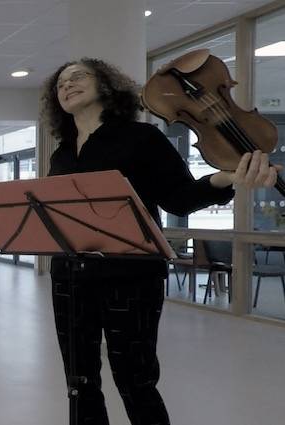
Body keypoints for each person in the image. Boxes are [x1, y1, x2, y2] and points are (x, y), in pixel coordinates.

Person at [40, 58, 281, 425]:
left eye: (78, 76)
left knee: (135, 381)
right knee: (79, 381)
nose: (67, 85)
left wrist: (223, 179)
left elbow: (178, 197)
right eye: (60, 83)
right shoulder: (61, 153)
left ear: (105, 85)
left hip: (131, 274)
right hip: (71, 276)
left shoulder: (142, 138)